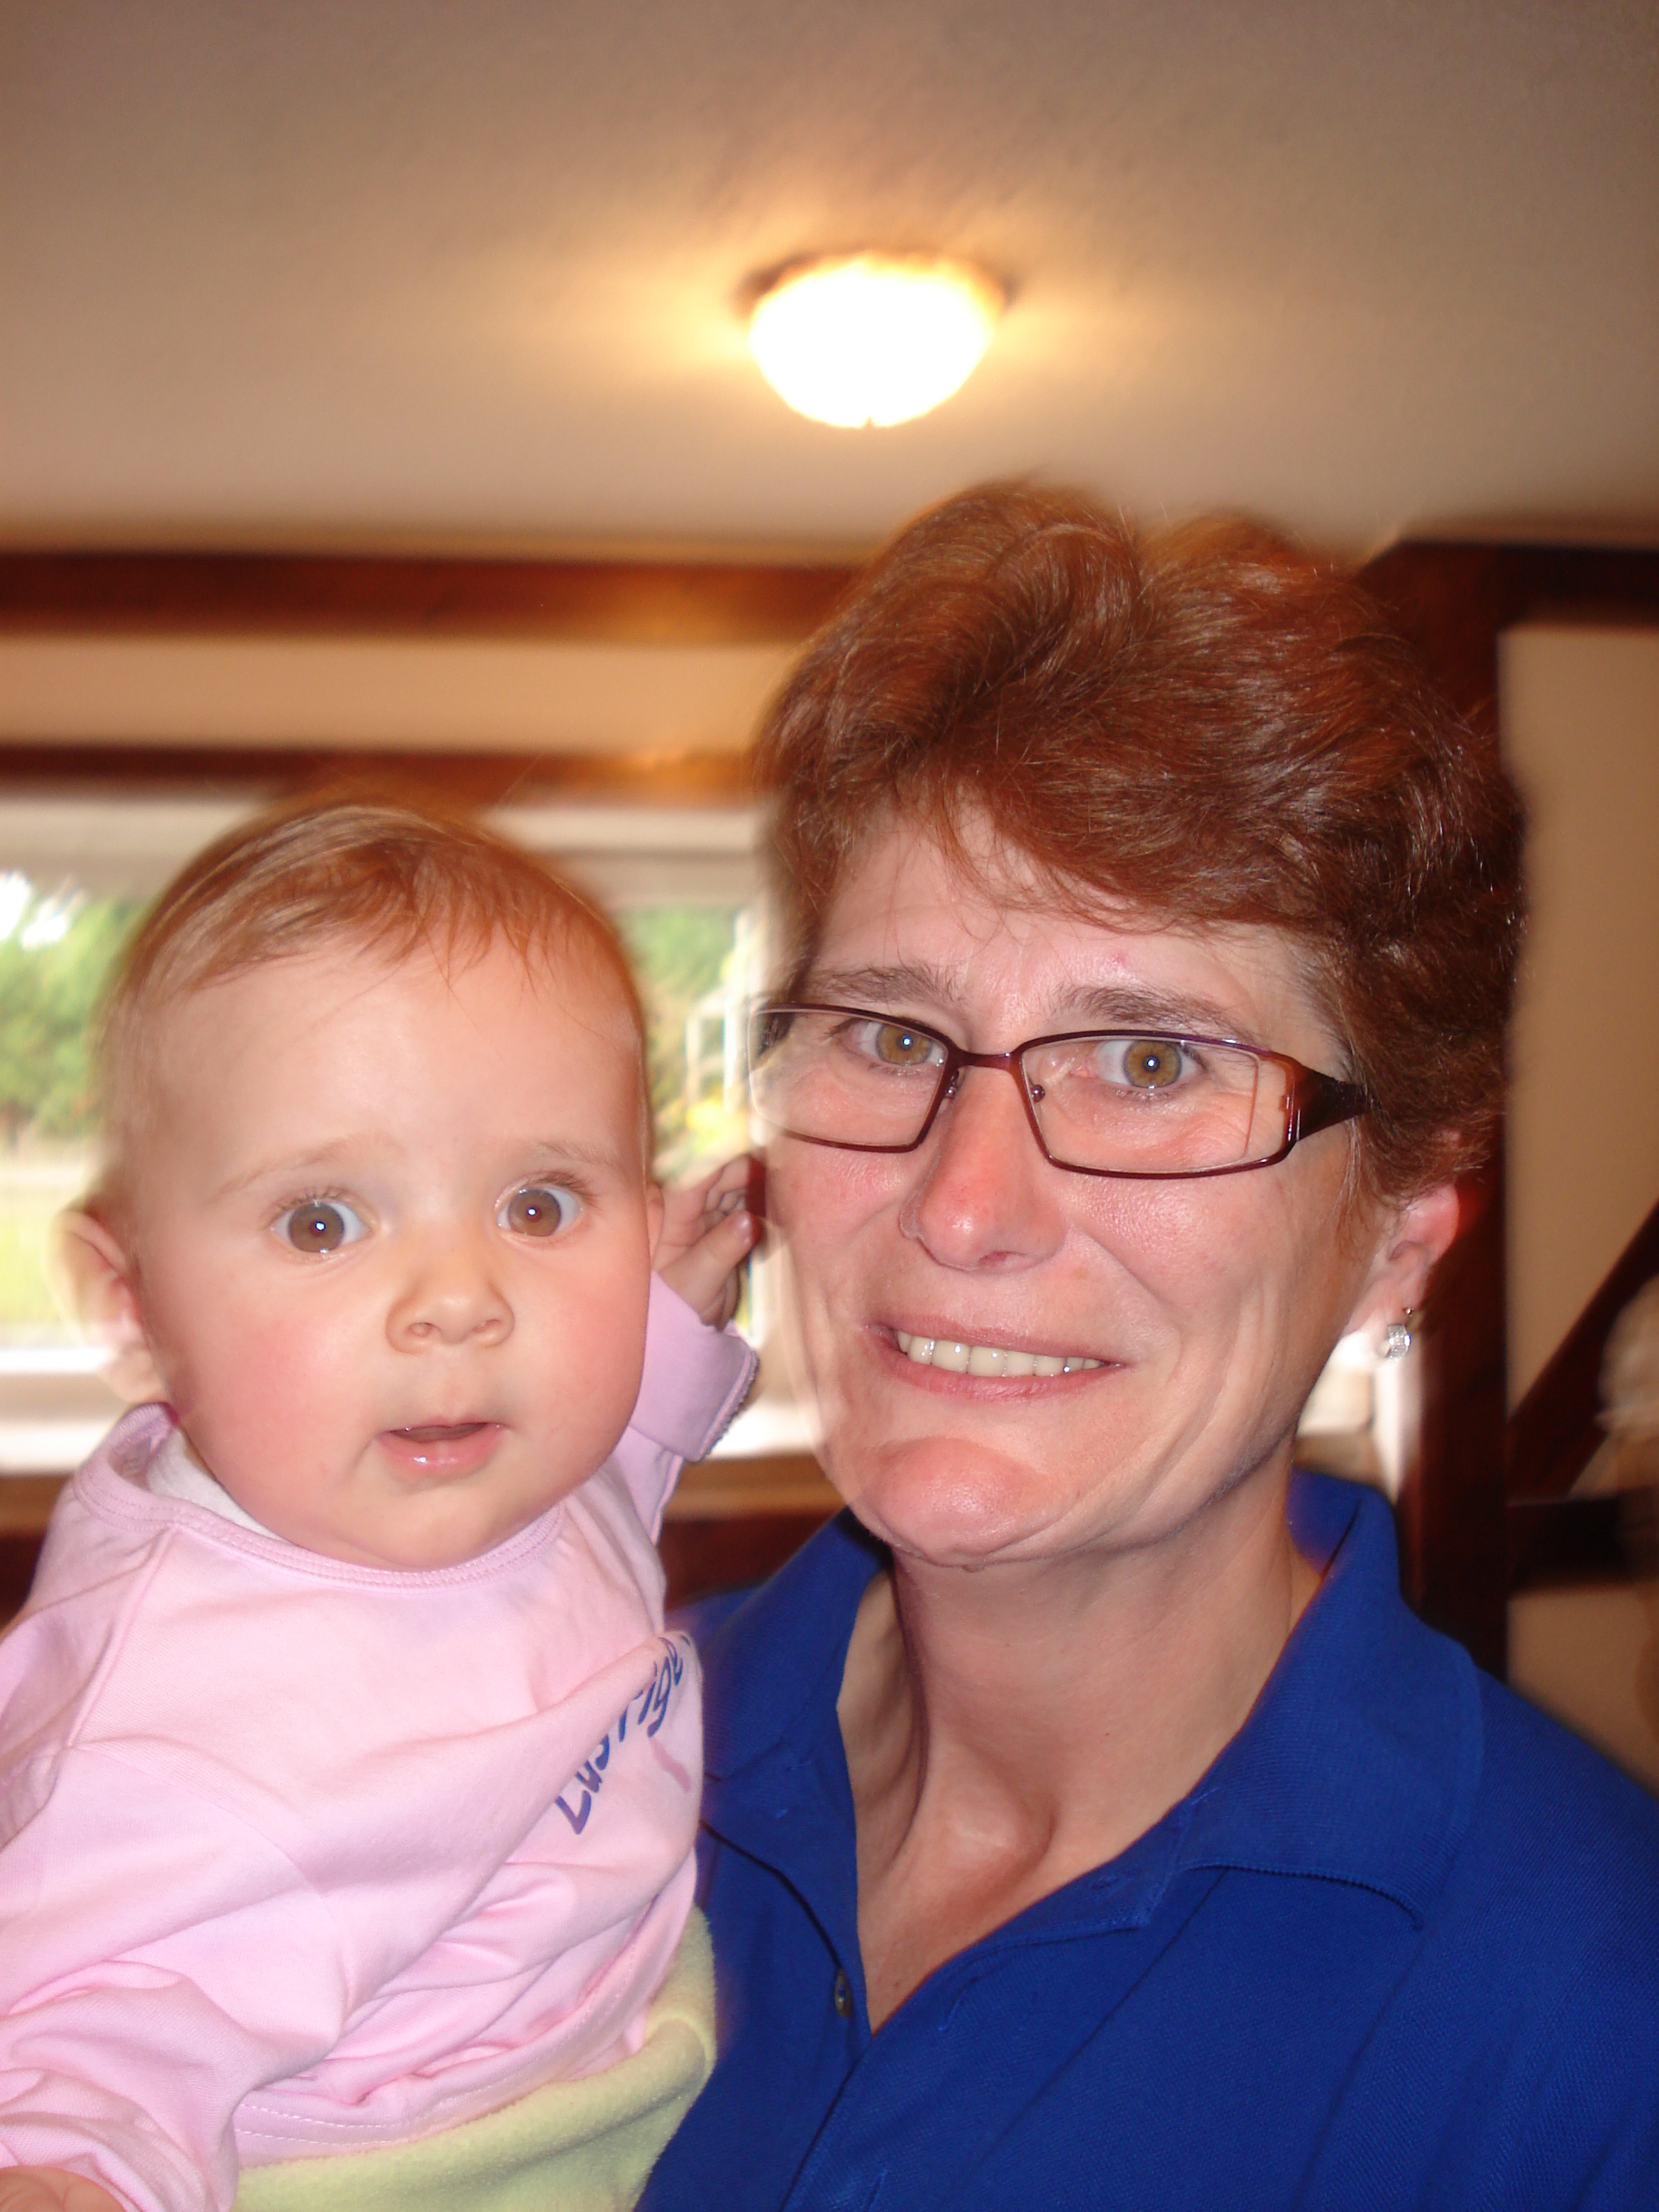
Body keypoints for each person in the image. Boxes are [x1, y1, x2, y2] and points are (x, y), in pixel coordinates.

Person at [642, 486, 1659, 2211]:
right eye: (893, 1034)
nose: (966, 1208)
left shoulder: (1593, 2024)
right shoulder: (568, 1742)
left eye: (1152, 1065)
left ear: (1394, 1243)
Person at [0, 802, 760, 2212]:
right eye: (323, 1223)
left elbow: (605, 1489)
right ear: (132, 1303)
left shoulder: (485, 1465)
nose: (461, 1301)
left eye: (540, 1207)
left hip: (604, 2045)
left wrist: (666, 1323)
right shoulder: (180, 1741)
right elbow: (81, 2060)